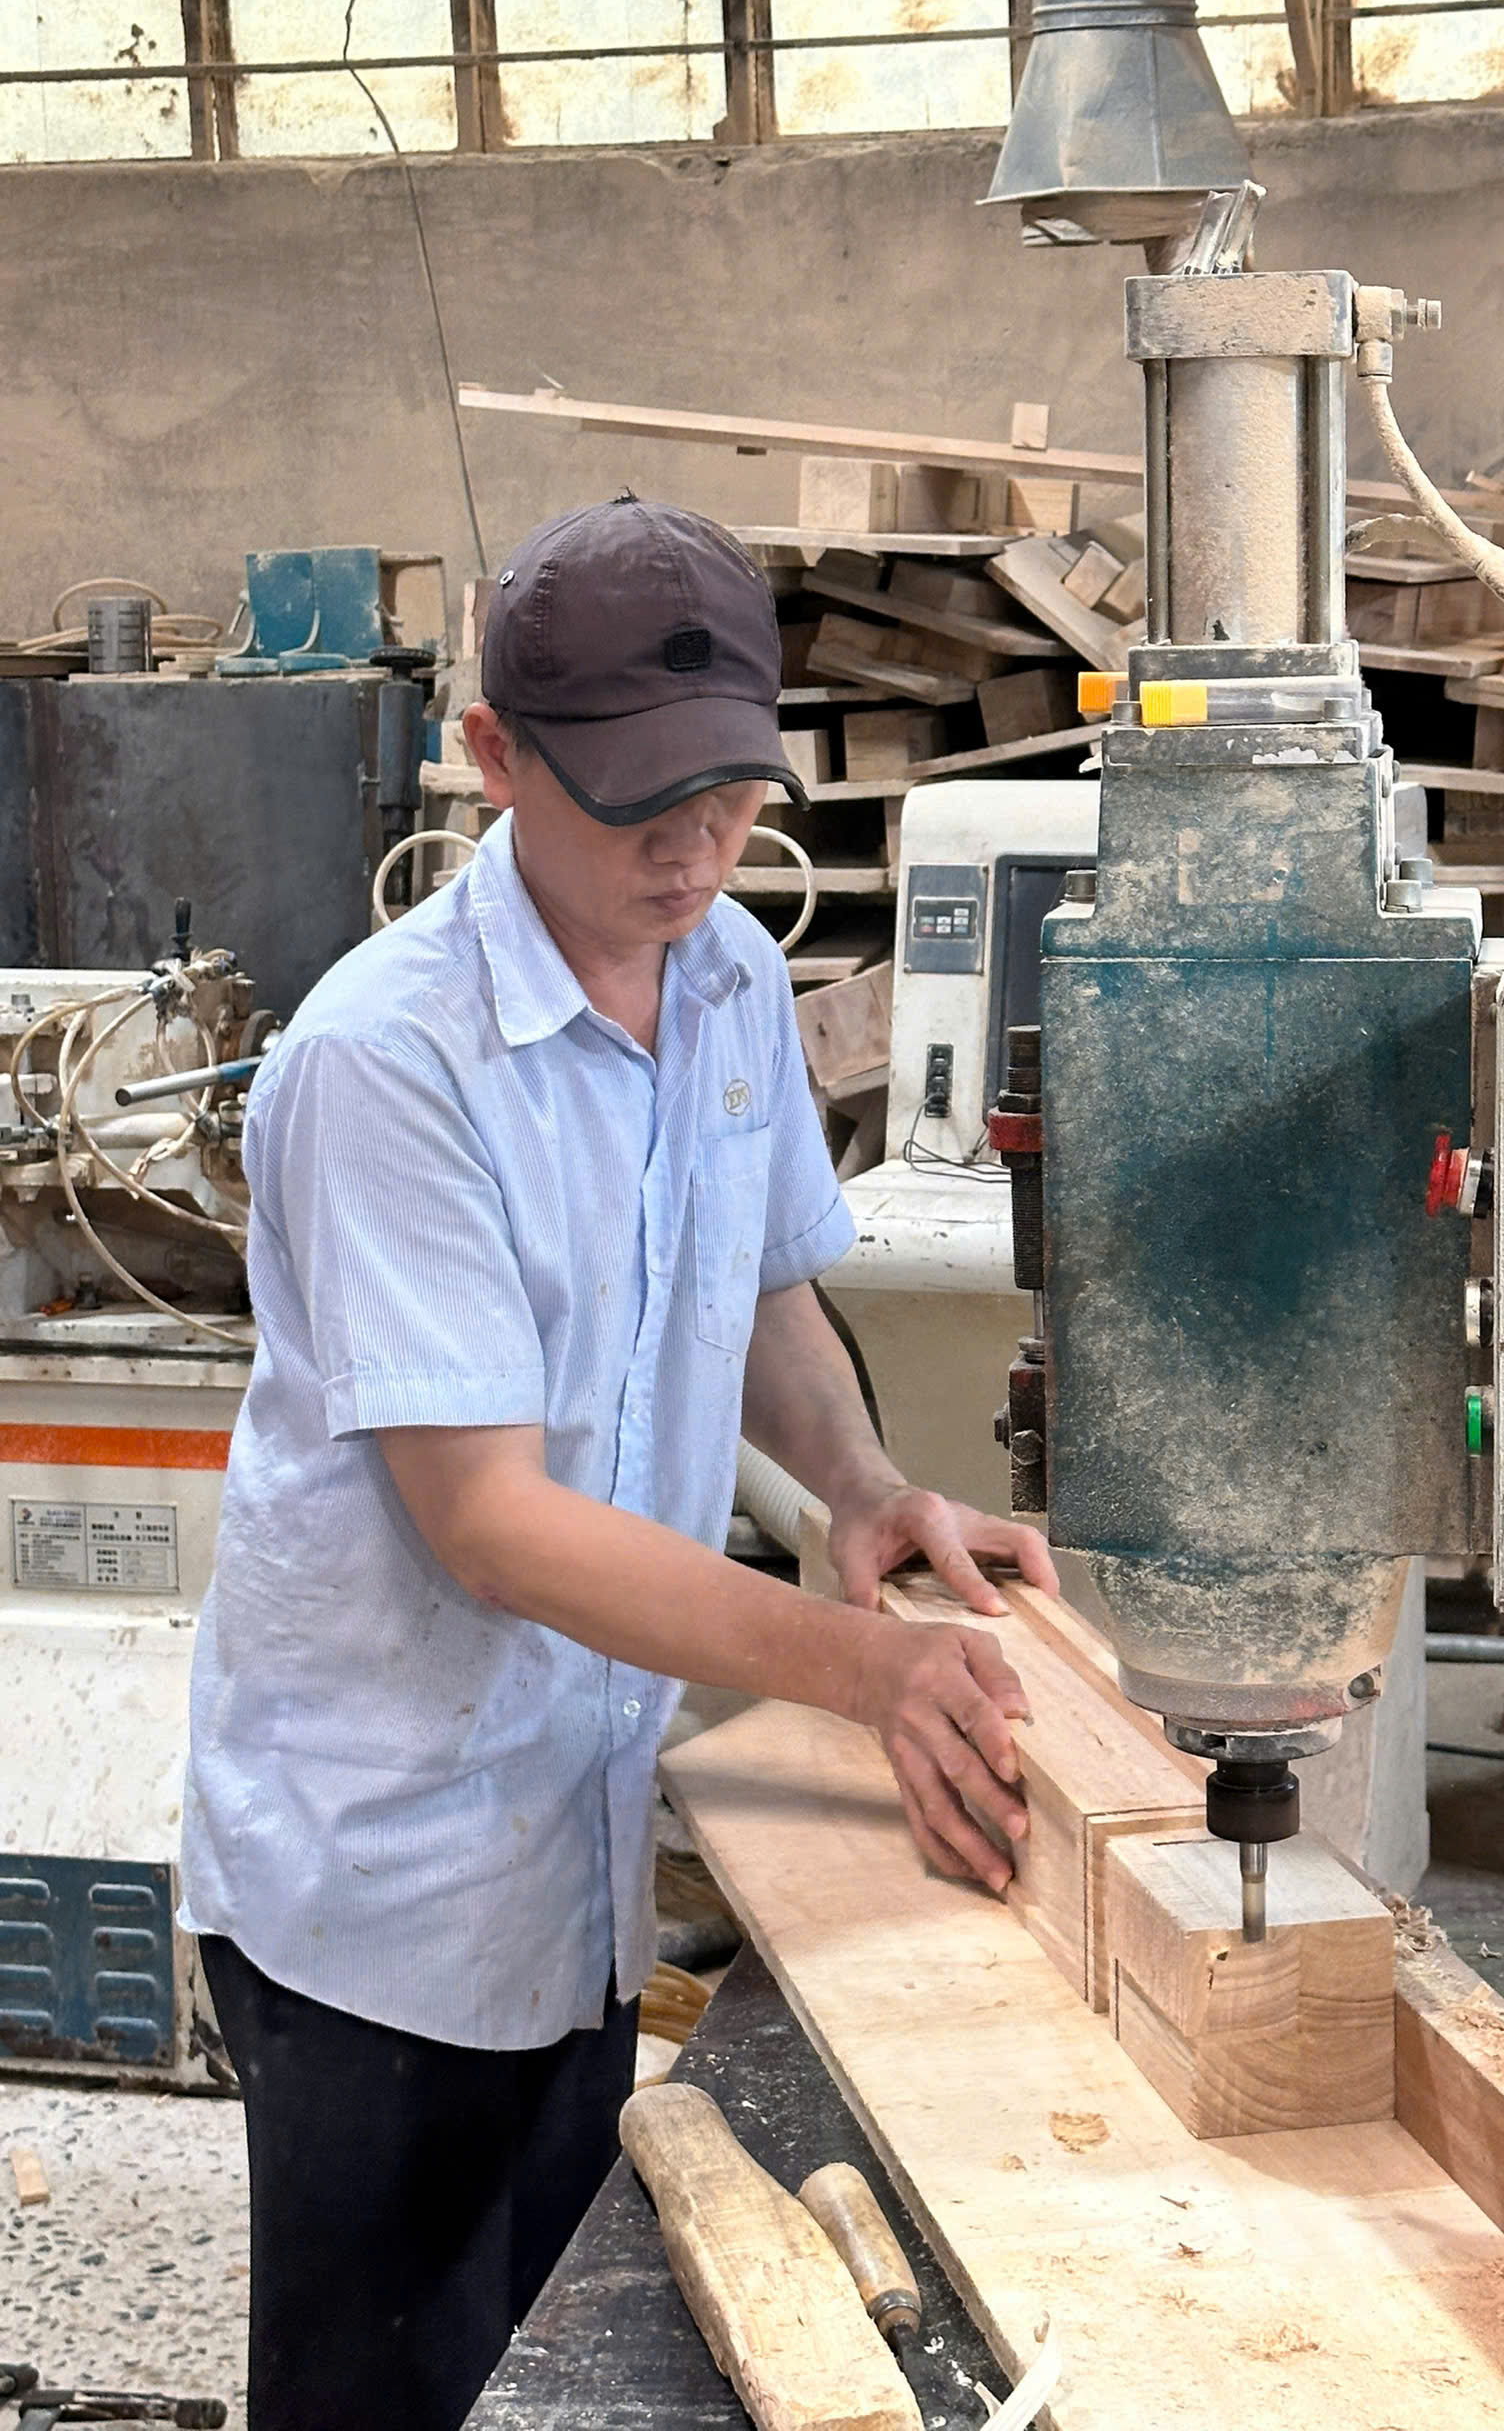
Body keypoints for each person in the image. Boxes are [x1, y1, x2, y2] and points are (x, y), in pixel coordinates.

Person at [179, 494, 1057, 2431]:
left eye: (730, 797)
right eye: (634, 801)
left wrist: (862, 1491)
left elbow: (755, 1297)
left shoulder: (731, 977)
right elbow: (489, 1520)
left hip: (573, 1844)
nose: (691, 848)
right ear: (490, 759)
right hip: (379, 1892)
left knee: (554, 2368)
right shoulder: (386, 1063)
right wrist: (862, 1663)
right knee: (387, 2392)